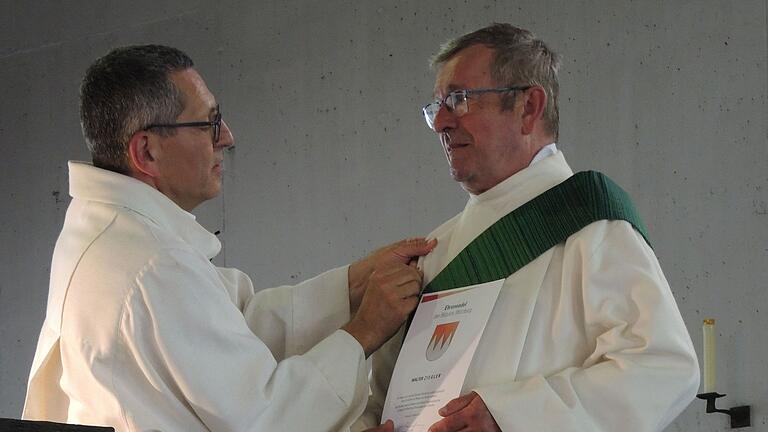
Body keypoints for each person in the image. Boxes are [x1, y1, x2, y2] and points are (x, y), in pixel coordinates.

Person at [23, 44, 436, 432]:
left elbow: (229, 326)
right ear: (146, 152)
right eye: (209, 123)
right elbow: (263, 418)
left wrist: (352, 285)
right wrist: (365, 331)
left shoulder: (108, 228)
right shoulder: (153, 263)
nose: (227, 138)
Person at [356, 23, 699, 432]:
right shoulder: (434, 251)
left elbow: (662, 369)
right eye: (437, 106)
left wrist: (510, 416)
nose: (440, 123)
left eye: (459, 99)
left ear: (529, 107)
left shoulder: (589, 224)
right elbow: (380, 399)